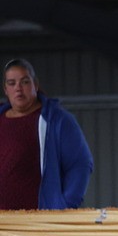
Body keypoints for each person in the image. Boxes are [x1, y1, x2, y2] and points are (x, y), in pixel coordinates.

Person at [1, 58, 93, 210]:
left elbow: (80, 163)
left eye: (24, 82)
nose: (18, 88)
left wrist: (65, 206)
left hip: (37, 221)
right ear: (6, 90)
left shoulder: (56, 120)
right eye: (12, 83)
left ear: (35, 85)